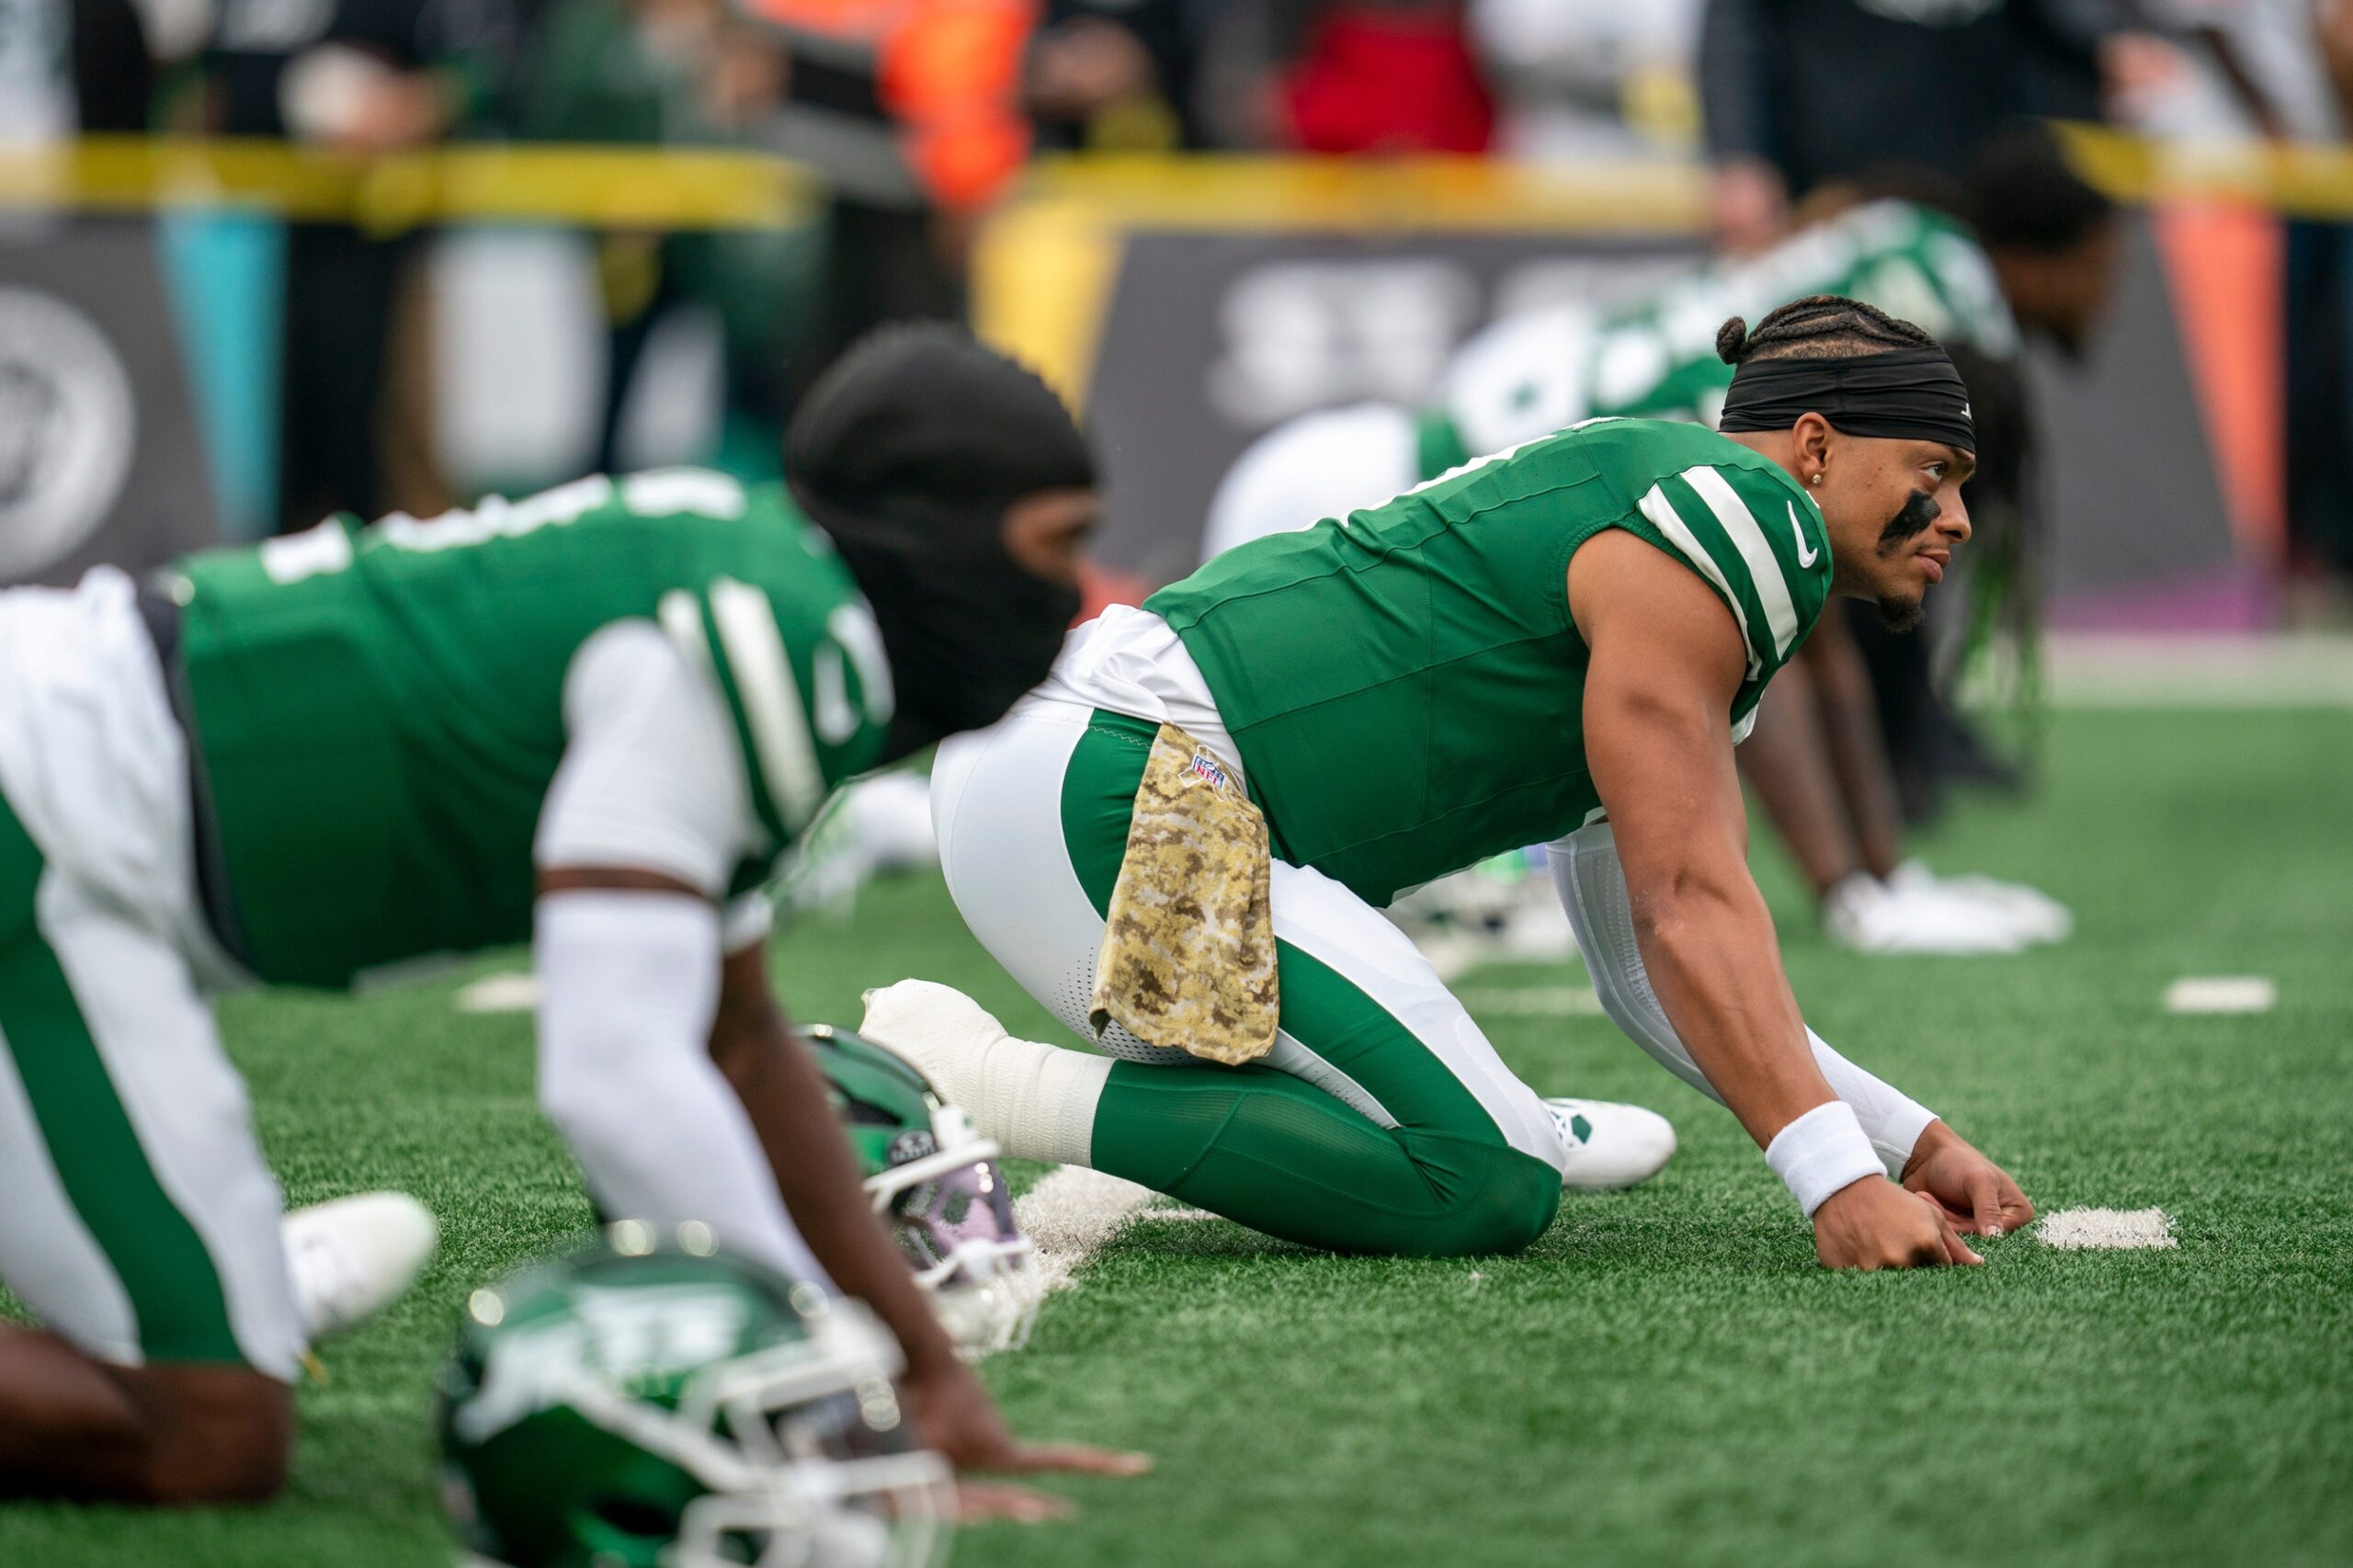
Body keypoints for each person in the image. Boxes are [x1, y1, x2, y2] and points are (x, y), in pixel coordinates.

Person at [0, 324, 1142, 1504]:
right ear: (934, 528)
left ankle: (233, 1274)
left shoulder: (757, 580)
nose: (1068, 591)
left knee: (210, 1380)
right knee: (207, 1428)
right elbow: (615, 1077)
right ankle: (230, 1283)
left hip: (78, 831)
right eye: (1054, 545)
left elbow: (737, 1039)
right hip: (39, 827)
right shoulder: (766, 634)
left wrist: (921, 1373)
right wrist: (826, 1379)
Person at [866, 296, 2036, 1269]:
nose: (1958, 518)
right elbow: (1686, 901)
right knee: (1483, 1181)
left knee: (1478, 1150)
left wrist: (1901, 1137)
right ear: (1817, 448)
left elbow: (1640, 966)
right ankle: (975, 1079)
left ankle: (1495, 1105)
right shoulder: (1742, 516)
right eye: (1934, 470)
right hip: (1127, 774)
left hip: (1110, 776)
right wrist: (1832, 1179)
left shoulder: (1683, 546)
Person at [1204, 131, 2118, 953]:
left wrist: (1881, 880)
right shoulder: (1931, 315)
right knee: (1275, 865)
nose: (1948, 509)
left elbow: (1817, 643)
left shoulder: (1877, 267)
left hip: (1410, 448)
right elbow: (1783, 661)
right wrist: (1851, 894)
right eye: (1936, 473)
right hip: (1361, 504)